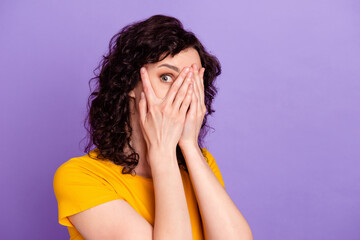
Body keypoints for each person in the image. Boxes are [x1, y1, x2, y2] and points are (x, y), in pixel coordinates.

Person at [53, 14, 253, 240]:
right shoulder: (80, 177)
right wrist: (162, 152)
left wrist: (188, 145)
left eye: (191, 82)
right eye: (167, 77)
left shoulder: (200, 163)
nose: (182, 92)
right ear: (130, 83)